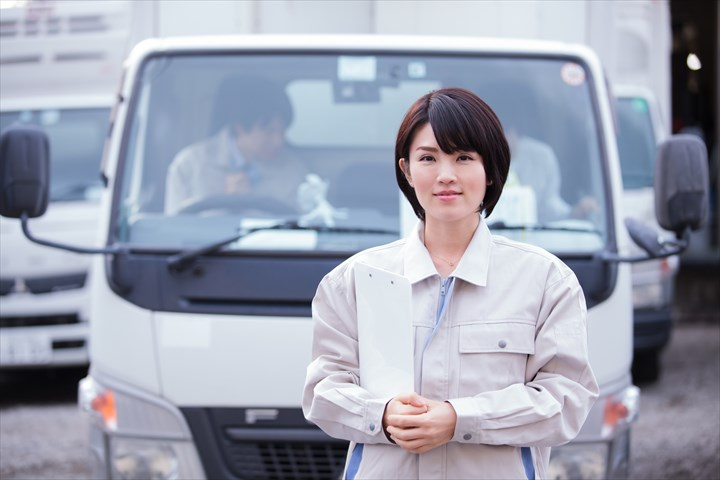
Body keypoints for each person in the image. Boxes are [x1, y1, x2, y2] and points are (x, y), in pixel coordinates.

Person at [302, 87, 598, 479]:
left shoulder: (545, 281)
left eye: (463, 158)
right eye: (428, 158)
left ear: (490, 169)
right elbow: (323, 391)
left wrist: (460, 419)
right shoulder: (353, 280)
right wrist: (383, 415)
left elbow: (566, 401)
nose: (446, 175)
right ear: (407, 171)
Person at [164, 76, 307, 215]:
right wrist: (228, 202)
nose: (278, 141)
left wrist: (250, 202)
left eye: (282, 131)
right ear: (240, 127)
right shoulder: (189, 165)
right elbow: (175, 232)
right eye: (269, 131)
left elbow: (301, 228)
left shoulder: (292, 169)